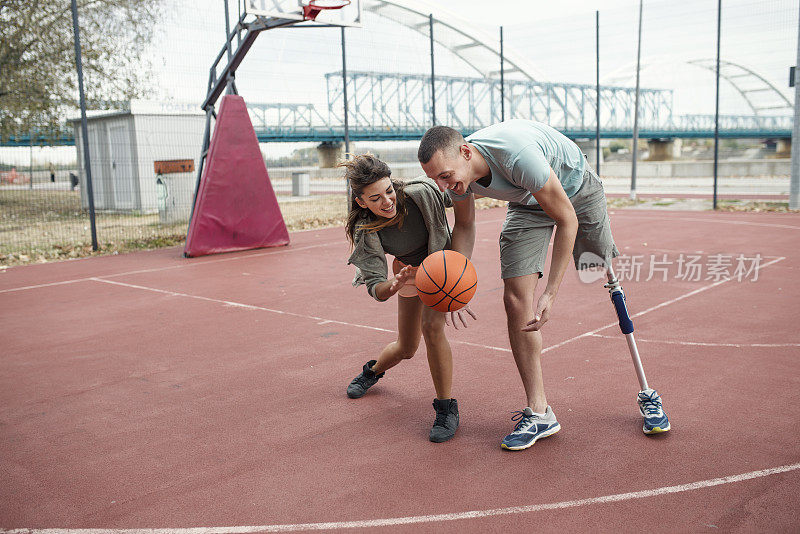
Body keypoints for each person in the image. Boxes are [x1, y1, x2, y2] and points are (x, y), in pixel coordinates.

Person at [417, 120, 670, 451]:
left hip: (576, 192)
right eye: (434, 178)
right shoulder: (458, 180)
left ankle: (648, 393)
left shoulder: (518, 156)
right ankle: (539, 412)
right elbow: (464, 225)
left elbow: (567, 219)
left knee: (602, 272)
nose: (441, 185)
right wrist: (453, 277)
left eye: (445, 175)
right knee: (515, 299)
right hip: (527, 204)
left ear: (466, 153)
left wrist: (550, 292)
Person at [343, 154, 475, 443]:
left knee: (432, 328)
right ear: (361, 202)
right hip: (408, 274)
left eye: (388, 191)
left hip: (441, 266)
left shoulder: (420, 193)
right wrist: (393, 285)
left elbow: (461, 190)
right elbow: (376, 288)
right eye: (375, 198)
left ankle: (445, 408)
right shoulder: (366, 228)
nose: (387, 202)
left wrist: (458, 275)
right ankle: (372, 371)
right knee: (406, 347)